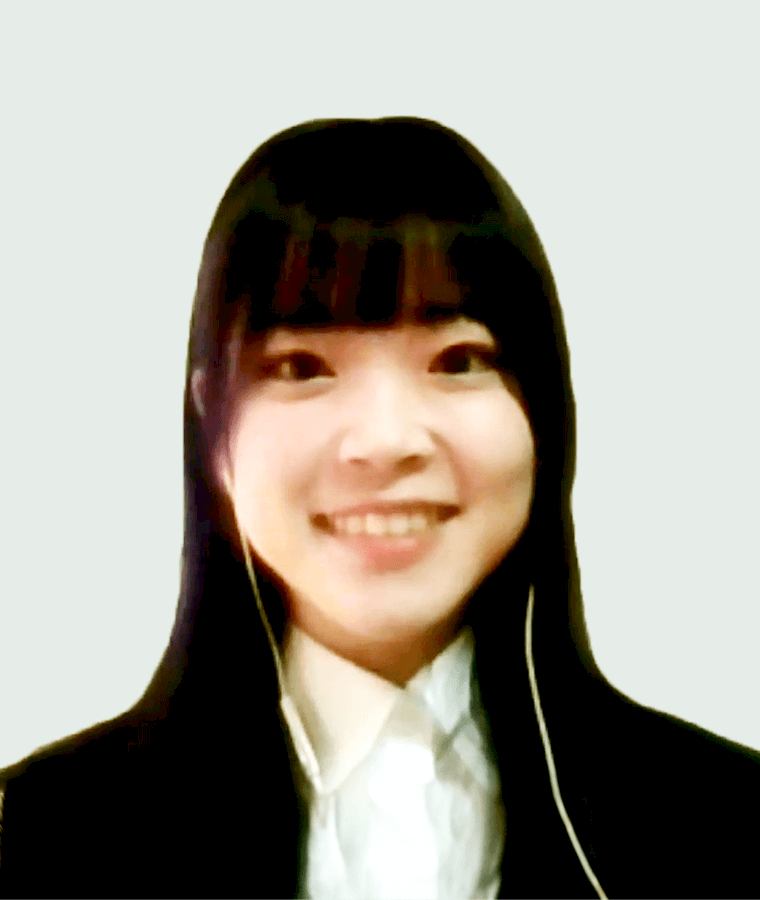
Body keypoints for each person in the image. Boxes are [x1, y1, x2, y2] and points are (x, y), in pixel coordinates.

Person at [0, 117, 758, 900]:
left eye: (458, 360)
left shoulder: (732, 826)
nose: (385, 441)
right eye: (302, 367)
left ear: (544, 411)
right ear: (214, 433)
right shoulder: (33, 836)